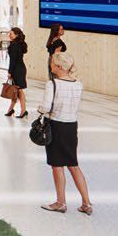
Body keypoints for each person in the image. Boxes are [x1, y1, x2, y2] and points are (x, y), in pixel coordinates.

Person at [39, 52, 92, 215]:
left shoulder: (52, 84)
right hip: (71, 126)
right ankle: (86, 203)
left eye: (53, 63)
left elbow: (47, 108)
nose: (51, 66)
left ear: (59, 66)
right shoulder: (78, 84)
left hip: (56, 126)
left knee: (57, 165)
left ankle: (60, 203)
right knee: (73, 165)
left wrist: (40, 109)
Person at [5, 27, 30, 119]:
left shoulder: (14, 45)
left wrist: (9, 72)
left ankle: (23, 111)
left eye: (11, 34)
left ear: (16, 35)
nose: (9, 35)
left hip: (17, 70)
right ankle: (11, 110)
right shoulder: (18, 44)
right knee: (16, 90)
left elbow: (13, 61)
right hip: (20, 68)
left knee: (18, 90)